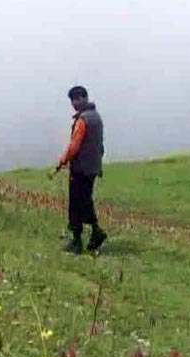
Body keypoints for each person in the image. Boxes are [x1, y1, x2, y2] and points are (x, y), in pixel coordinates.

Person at [57, 86, 107, 254]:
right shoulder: (97, 117)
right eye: (73, 100)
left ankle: (78, 241)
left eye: (78, 99)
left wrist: (63, 161)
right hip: (92, 167)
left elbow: (74, 146)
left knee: (76, 204)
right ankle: (95, 232)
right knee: (86, 201)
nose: (75, 103)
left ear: (85, 98)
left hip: (80, 169)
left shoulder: (82, 121)